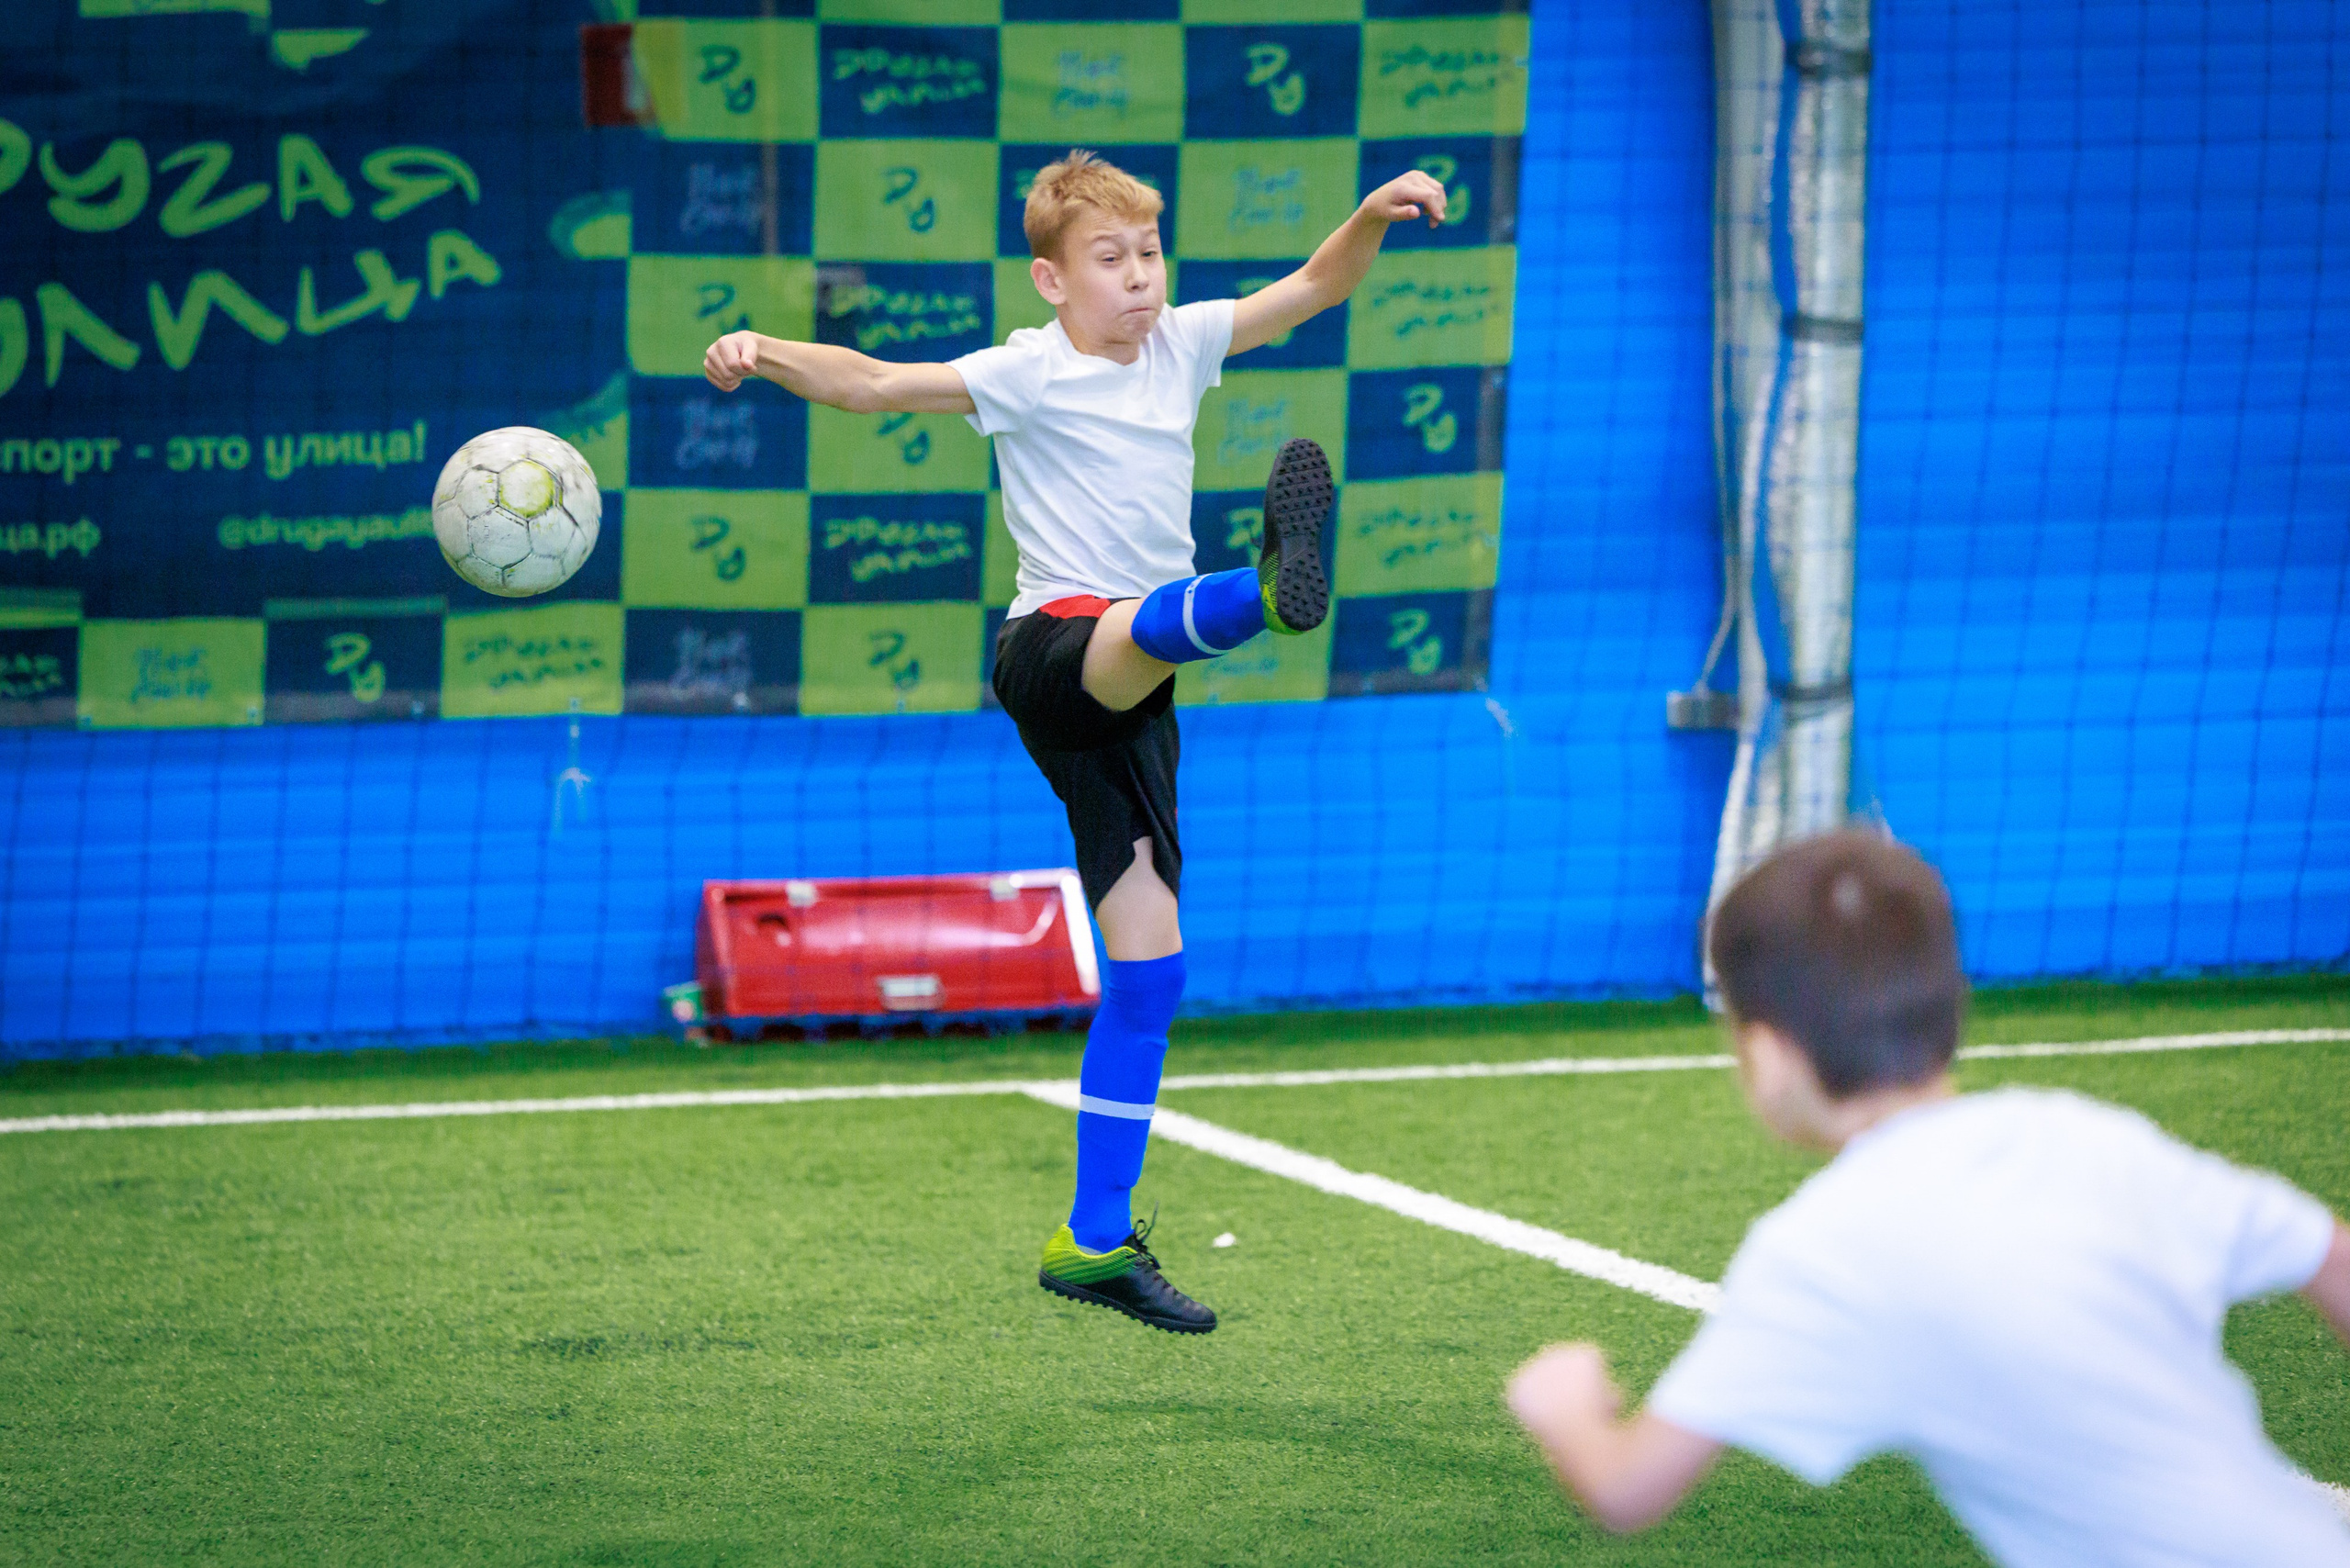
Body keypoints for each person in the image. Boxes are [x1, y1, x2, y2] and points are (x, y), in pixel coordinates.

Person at [704, 151, 1449, 1334]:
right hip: (1051, 654)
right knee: (1123, 635)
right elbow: (872, 386)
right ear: (1052, 281)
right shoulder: (1026, 373)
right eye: (1111, 260)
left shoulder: (1185, 346)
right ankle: (1260, 592)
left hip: (1132, 699)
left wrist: (1368, 215)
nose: (1141, 278)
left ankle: (1091, 1243)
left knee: (1150, 971)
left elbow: (1312, 286)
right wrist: (765, 350)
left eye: (1151, 253)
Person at [1506, 830, 2350, 1566]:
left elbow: (1626, 1489)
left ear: (1767, 1055)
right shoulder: (2075, 1133)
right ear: (1952, 1006)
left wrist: (1566, 1406)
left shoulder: (1819, 1250)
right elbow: (2329, 1257)